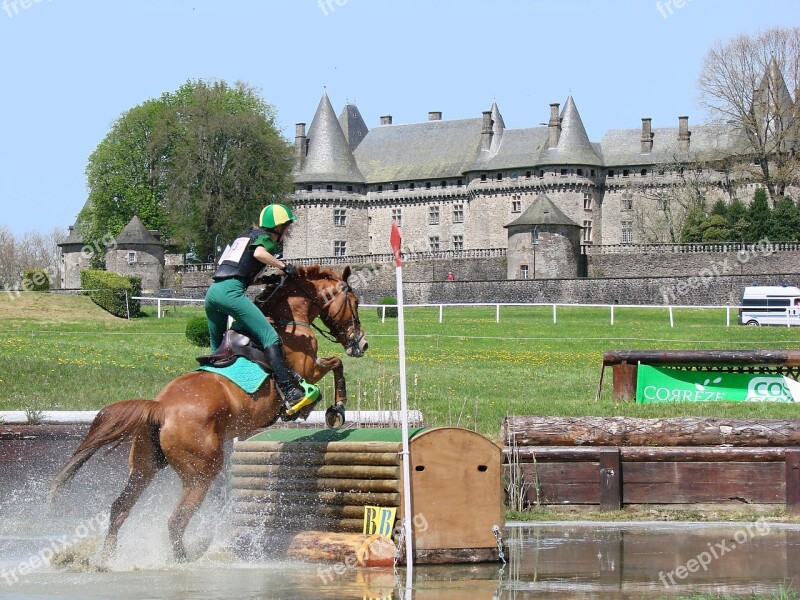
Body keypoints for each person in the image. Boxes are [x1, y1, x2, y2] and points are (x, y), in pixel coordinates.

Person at [204, 203, 318, 413]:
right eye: (287, 227)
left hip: (212, 294)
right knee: (270, 338)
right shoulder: (265, 240)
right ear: (279, 227)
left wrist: (268, 278)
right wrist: (283, 266)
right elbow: (259, 254)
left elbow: (239, 272)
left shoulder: (244, 237)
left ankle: (214, 393)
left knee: (217, 350)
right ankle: (290, 392)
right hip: (230, 294)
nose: (288, 232)